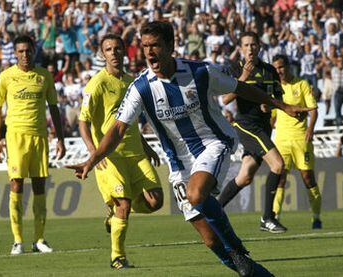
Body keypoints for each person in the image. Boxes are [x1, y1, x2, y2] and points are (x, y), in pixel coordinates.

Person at [66, 21, 311, 277]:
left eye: (156, 46)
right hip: (178, 163)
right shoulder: (140, 87)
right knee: (210, 241)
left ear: (171, 46)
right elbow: (117, 129)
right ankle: (257, 274)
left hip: (212, 144)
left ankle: (237, 248)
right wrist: (91, 159)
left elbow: (241, 88)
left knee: (196, 195)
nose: (149, 52)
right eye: (145, 46)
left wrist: (282, 106)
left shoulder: (201, 73)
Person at [78, 34, 164, 269]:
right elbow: (83, 121)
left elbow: (133, 120)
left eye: (117, 48)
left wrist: (146, 147)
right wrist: (94, 152)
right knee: (124, 205)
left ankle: (115, 214)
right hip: (110, 157)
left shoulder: (132, 82)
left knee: (156, 201)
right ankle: (118, 257)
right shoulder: (96, 84)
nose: (114, 53)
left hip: (135, 153)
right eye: (108, 49)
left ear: (124, 51)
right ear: (101, 54)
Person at [0, 35, 66, 255]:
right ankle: (17, 240)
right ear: (15, 53)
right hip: (15, 137)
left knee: (40, 186)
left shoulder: (44, 76)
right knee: (16, 184)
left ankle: (39, 239)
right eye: (20, 51)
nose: (25, 55)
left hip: (40, 137)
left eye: (28, 51)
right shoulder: (6, 77)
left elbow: (53, 108)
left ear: (34, 51)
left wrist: (60, 138)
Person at [217, 31, 288, 234]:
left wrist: (270, 108)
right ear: (241, 48)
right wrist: (243, 78)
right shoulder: (234, 68)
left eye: (253, 45)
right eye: (246, 45)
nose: (250, 48)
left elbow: (275, 98)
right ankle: (268, 217)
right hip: (246, 125)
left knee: (245, 176)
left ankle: (213, 211)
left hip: (263, 125)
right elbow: (225, 100)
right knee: (278, 164)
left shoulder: (269, 71)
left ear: (259, 47)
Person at [271, 55, 322, 229]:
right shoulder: (275, 88)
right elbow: (272, 116)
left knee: (308, 178)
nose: (279, 71)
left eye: (281, 67)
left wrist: (310, 129)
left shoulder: (302, 84)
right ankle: (275, 216)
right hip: (281, 139)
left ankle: (316, 217)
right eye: (276, 68)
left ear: (288, 66)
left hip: (301, 138)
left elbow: (314, 110)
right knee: (280, 179)